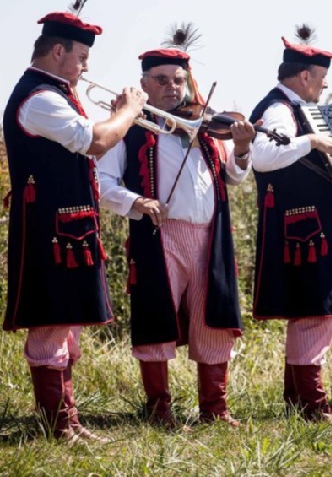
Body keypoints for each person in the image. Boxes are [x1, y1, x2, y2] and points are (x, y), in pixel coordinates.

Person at [2, 9, 146, 442]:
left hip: (70, 228)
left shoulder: (58, 95)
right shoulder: (40, 98)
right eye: (82, 56)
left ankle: (69, 422)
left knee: (66, 326)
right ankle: (58, 426)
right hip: (49, 229)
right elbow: (97, 140)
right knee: (50, 325)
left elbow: (89, 153)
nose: (87, 66)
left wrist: (116, 119)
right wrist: (129, 111)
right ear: (58, 49)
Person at [98, 48, 256, 429]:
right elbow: (102, 183)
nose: (172, 88)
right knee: (156, 318)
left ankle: (215, 410)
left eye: (179, 80)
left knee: (213, 321)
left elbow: (234, 176)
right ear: (144, 85)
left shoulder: (202, 128)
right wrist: (137, 200)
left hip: (210, 237)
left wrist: (243, 147)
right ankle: (159, 411)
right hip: (161, 235)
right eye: (162, 80)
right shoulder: (129, 127)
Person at [248, 33, 332, 422]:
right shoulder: (279, 109)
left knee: (314, 311)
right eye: (320, 77)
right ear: (303, 76)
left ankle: (296, 398)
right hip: (303, 229)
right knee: (315, 311)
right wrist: (312, 140)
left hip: (315, 225)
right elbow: (263, 157)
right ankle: (313, 404)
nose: (325, 84)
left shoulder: (297, 108)